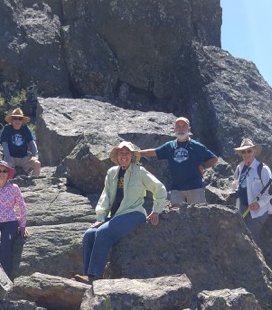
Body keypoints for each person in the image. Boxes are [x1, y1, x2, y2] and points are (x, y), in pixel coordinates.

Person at [76, 141, 168, 284]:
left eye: (127, 153)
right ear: (117, 156)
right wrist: (100, 217)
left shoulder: (139, 171)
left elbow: (160, 188)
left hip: (135, 214)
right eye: (121, 153)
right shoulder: (112, 173)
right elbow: (105, 197)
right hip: (116, 216)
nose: (124, 156)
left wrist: (156, 211)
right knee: (89, 234)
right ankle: (87, 275)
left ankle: (95, 277)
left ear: (132, 156)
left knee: (103, 233)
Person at [140, 117, 217, 206]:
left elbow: (214, 159)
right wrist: (138, 153)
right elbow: (155, 152)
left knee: (197, 216)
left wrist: (203, 166)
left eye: (184, 126)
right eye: (178, 126)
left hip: (195, 188)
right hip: (176, 189)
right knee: (176, 215)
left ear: (189, 129)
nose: (181, 129)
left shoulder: (197, 146)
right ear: (174, 129)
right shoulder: (170, 146)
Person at [0, 160, 28, 279]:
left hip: (9, 223)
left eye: (4, 171)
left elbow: (22, 206)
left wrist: (22, 225)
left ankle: (3, 280)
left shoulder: (14, 188)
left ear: (8, 174)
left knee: (5, 247)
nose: (2, 173)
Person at [232, 138, 272, 243]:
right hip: (242, 207)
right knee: (240, 234)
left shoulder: (262, 169)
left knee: (251, 235)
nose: (246, 154)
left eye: (249, 151)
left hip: (259, 210)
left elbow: (270, 191)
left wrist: (259, 204)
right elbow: (236, 184)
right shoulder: (240, 167)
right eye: (243, 151)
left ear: (254, 151)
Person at [0, 107, 41, 178]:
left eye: (20, 119)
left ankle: (33, 182)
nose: (17, 121)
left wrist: (35, 156)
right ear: (12, 120)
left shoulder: (26, 129)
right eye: (15, 118)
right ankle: (7, 185)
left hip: (24, 158)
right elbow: (4, 145)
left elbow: (32, 143)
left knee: (37, 164)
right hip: (11, 157)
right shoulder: (7, 129)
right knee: (4, 167)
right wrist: (8, 159)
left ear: (22, 121)